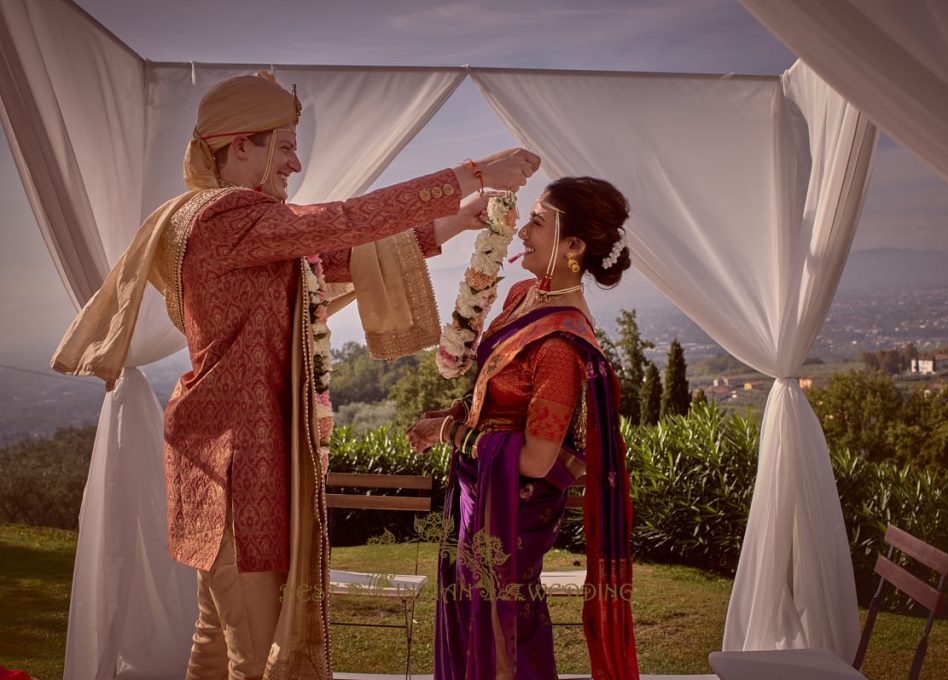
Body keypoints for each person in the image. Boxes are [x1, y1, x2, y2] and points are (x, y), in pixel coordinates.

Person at [51, 71, 540, 680]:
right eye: (283, 147)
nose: (295, 161)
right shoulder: (224, 217)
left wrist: (458, 218)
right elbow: (341, 222)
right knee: (256, 657)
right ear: (240, 147)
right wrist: (472, 172)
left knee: (214, 639)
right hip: (238, 465)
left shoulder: (237, 224)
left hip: (224, 455)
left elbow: (339, 255)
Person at [407, 177, 640, 679]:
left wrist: (452, 437)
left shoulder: (560, 345)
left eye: (538, 222)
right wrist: (450, 416)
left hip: (513, 508)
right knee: (473, 616)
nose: (522, 232)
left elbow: (537, 458)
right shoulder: (522, 294)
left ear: (573, 246)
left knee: (504, 623)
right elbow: (494, 390)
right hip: (479, 488)